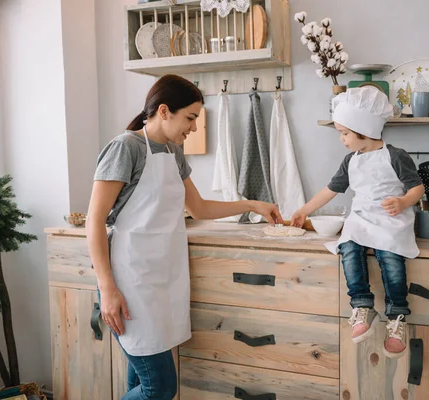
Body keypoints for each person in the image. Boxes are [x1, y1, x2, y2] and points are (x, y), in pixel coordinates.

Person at [86, 74, 283, 400]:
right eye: (190, 117)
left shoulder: (173, 151)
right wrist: (107, 289)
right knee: (159, 388)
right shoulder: (126, 148)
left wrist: (252, 204)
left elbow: (200, 207)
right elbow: (94, 221)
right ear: (164, 111)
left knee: (140, 382)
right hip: (129, 281)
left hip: (162, 279)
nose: (193, 127)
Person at [291, 86, 424, 358]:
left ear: (364, 129)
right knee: (348, 247)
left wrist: (402, 202)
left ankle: (397, 316)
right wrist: (304, 211)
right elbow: (331, 189)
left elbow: (417, 188)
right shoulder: (350, 161)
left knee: (390, 258)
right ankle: (362, 305)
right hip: (361, 218)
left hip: (390, 219)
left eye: (345, 133)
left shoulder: (396, 156)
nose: (341, 139)